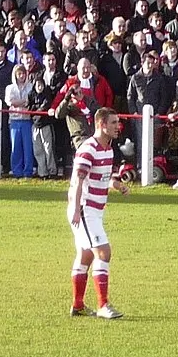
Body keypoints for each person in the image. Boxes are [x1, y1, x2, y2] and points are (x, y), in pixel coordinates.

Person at [67, 108, 128, 318]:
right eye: (113, 123)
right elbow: (78, 182)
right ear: (101, 124)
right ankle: (103, 305)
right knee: (104, 251)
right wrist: (76, 210)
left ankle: (78, 305)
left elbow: (102, 178)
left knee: (85, 255)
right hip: (85, 209)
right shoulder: (88, 149)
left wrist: (117, 185)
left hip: (95, 210)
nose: (117, 127)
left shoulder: (108, 149)